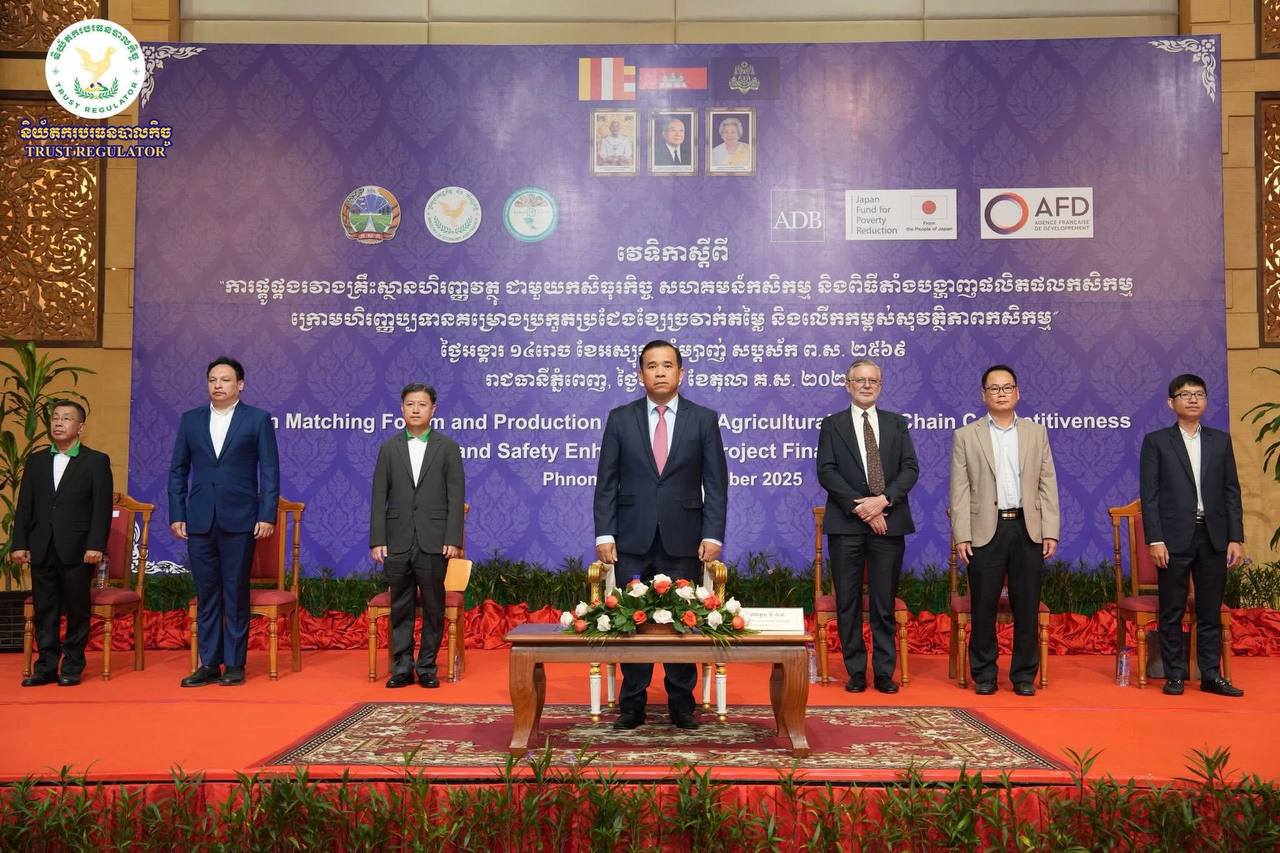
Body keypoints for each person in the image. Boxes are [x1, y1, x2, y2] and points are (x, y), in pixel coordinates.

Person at [594, 340, 728, 730]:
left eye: (667, 365)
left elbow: (715, 483)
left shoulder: (703, 419)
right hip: (631, 538)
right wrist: (604, 534)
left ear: (680, 373)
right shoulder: (620, 419)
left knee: (683, 622)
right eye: (651, 366)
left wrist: (713, 534)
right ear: (641, 375)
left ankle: (682, 704)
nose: (660, 372)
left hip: (684, 537)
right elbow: (607, 482)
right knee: (630, 622)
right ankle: (631, 705)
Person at [169, 356, 280, 687]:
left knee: (234, 590)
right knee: (207, 593)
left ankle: (234, 663)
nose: (218, 385)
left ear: (240, 385)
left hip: (240, 518)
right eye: (212, 380)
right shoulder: (191, 420)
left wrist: (266, 514)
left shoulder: (257, 419)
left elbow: (269, 470)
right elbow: (178, 470)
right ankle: (208, 663)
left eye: (225, 379)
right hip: (200, 518)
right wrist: (178, 513)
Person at [949, 365, 1059, 696]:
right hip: (985, 529)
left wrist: (1050, 530)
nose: (1001, 393)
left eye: (1007, 387)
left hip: (1027, 528)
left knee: (1027, 605)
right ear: (983, 395)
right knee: (983, 606)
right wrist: (962, 534)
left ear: (1017, 393)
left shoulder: (1036, 432)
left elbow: (1047, 483)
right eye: (994, 388)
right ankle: (984, 674)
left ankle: (1023, 675)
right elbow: (960, 489)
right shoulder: (966, 435)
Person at [816, 359, 919, 694]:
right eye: (859, 380)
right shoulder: (832, 424)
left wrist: (883, 500)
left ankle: (884, 672)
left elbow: (910, 468)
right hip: (847, 524)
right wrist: (864, 508)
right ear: (847, 385)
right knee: (847, 601)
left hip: (889, 522)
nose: (866, 385)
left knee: (883, 601)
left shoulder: (896, 424)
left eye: (873, 380)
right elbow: (827, 471)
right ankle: (856, 671)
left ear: (881, 386)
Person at [1140, 374, 1245, 698]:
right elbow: (1150, 495)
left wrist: (1235, 537)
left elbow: (1231, 491)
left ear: (1206, 401)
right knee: (1171, 610)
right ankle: (1174, 674)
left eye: (1199, 394)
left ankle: (1211, 675)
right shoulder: (1157, 442)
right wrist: (1155, 539)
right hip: (1173, 538)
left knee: (1209, 610)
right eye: (1185, 395)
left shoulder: (1220, 441)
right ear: (1171, 403)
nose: (1193, 399)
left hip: (1213, 536)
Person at [370, 383, 465, 689]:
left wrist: (453, 539)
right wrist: (378, 539)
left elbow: (456, 497)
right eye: (410, 404)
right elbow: (378, 497)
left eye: (422, 405)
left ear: (433, 410)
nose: (415, 410)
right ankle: (401, 668)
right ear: (401, 409)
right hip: (397, 539)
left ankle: (426, 668)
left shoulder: (447, 448)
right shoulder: (389, 449)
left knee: (434, 607)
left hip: (434, 540)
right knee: (401, 606)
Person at [13, 400, 113, 687]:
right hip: (41, 545)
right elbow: (25, 506)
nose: (58, 422)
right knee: (45, 609)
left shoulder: (96, 461)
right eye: (55, 417)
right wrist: (20, 543)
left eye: (66, 418)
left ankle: (72, 665)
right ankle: (45, 667)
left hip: (78, 549)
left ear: (80, 427)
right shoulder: (36, 461)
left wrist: (95, 545)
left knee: (77, 610)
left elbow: (101, 508)